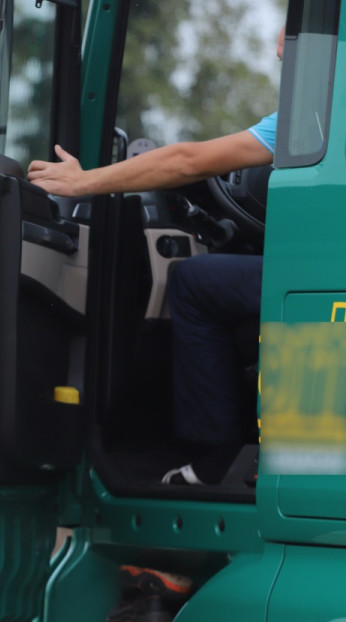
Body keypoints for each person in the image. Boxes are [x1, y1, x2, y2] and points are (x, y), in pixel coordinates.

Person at [29, 28, 283, 487]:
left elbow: (187, 161)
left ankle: (214, 459)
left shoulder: (313, 117)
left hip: (330, 279)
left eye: (294, 58)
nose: (290, 69)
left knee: (193, 282)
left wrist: (83, 182)